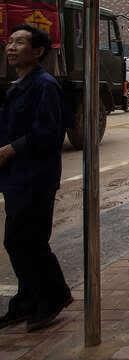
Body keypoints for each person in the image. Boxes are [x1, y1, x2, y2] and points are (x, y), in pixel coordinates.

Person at [0, 25, 71, 332]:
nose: (11, 47)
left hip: (36, 177)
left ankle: (53, 297)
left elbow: (49, 133)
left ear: (38, 51)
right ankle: (27, 300)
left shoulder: (44, 86)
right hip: (17, 177)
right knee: (18, 241)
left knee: (29, 241)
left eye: (19, 42)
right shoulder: (20, 84)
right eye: (10, 42)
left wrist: (11, 149)